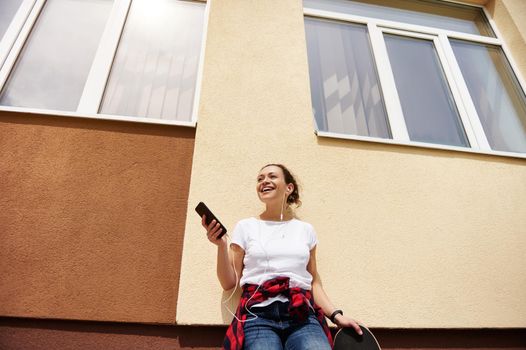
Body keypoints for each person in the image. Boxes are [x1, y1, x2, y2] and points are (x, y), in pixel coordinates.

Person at [202, 164, 362, 350]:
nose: (264, 181)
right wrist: (221, 246)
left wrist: (336, 315)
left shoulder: (305, 230)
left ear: (289, 188)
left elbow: (313, 282)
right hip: (258, 316)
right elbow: (229, 283)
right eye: (260, 178)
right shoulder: (245, 227)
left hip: (302, 315)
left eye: (272, 176)